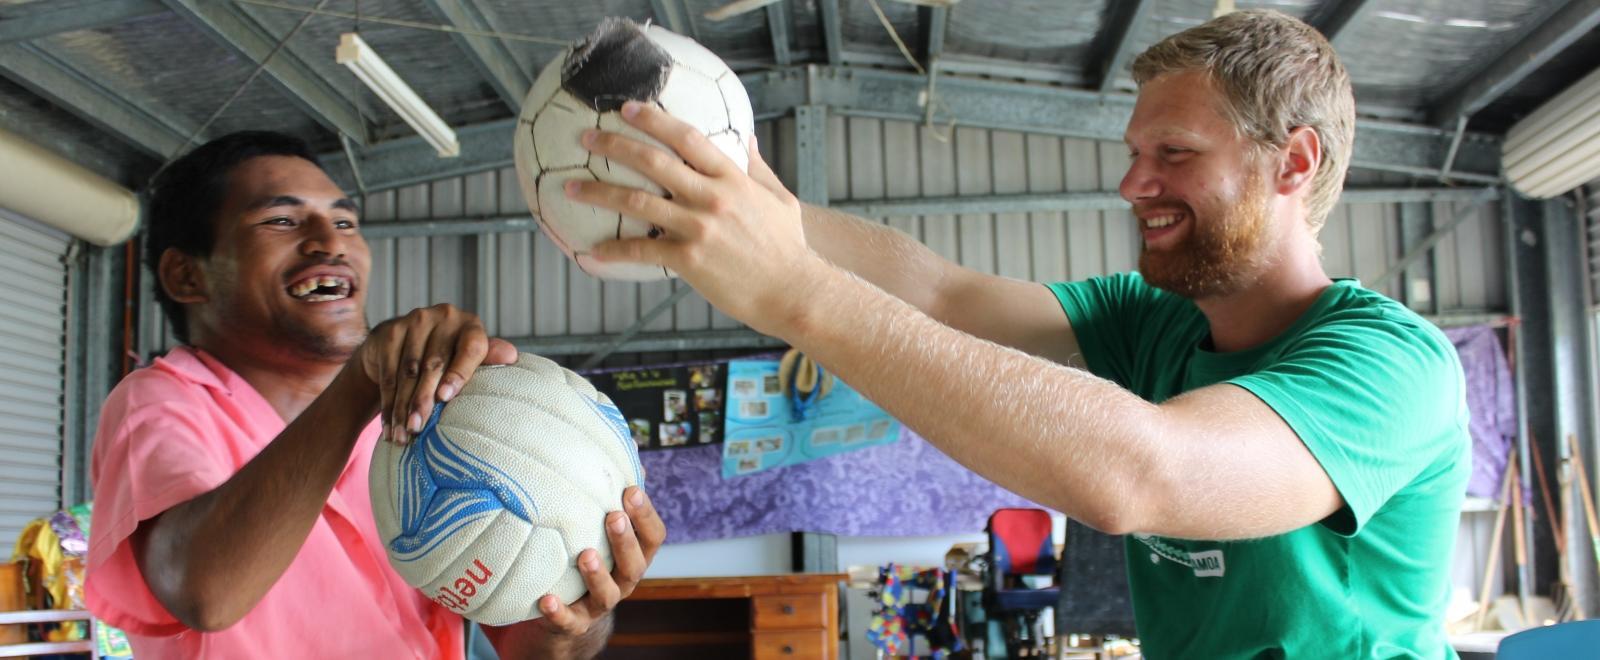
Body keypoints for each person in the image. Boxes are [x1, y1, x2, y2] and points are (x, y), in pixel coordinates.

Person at [567, 9, 1469, 658]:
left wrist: (795, 293)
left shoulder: (1391, 365)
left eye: (1175, 156)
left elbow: (1141, 474)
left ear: (1295, 161)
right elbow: (940, 291)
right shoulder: (1149, 320)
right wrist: (752, 197)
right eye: (1134, 154)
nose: (1133, 185)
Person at [84, 131, 666, 658]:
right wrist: (359, 385)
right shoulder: (162, 404)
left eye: (344, 222)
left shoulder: (418, 421)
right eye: (281, 222)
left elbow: (523, 647)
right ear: (188, 275)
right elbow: (202, 591)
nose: (328, 243)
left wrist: (573, 616)